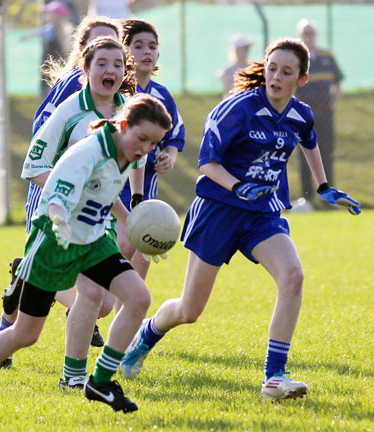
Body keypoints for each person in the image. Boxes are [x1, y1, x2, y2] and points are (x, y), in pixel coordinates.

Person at [120, 38, 361, 402]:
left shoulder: (301, 113)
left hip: (262, 213)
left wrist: (324, 186)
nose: (276, 77)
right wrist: (238, 187)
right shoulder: (236, 109)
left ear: (302, 79)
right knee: (190, 309)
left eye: (286, 72)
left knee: (293, 276)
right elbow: (207, 164)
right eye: (272, 68)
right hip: (219, 210)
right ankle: (145, 337)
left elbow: (308, 140)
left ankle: (274, 377)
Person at [0, 93, 172, 419]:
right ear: (122, 124)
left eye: (153, 143)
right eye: (143, 138)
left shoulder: (128, 151)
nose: (145, 148)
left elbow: (104, 195)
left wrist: (134, 225)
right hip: (54, 242)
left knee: (138, 298)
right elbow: (55, 196)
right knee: (25, 334)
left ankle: (100, 381)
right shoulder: (88, 153)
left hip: (92, 241)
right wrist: (60, 220)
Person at [0, 35, 136, 370]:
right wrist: (70, 191)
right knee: (84, 300)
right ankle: (76, 376)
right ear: (85, 69)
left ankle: (25, 274)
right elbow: (33, 167)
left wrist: (133, 216)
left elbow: (122, 170)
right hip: (56, 213)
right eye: (101, 63)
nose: (110, 70)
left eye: (117, 64)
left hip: (94, 217)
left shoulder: (127, 111)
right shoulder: (69, 110)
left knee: (102, 305)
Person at [116, 18, 185, 280]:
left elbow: (174, 134)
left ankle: (128, 318)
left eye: (152, 46)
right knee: (124, 246)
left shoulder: (162, 94)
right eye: (139, 45)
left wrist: (169, 155)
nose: (147, 52)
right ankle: (89, 305)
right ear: (124, 51)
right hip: (116, 187)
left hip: (146, 188)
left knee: (142, 256)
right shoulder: (116, 91)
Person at [294, 19, 344, 211]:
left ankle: (328, 197)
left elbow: (337, 82)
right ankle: (307, 198)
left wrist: (334, 102)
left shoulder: (326, 56)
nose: (309, 36)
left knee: (326, 154)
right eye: (305, 32)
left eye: (311, 32)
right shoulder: (296, 57)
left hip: (325, 113)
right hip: (303, 117)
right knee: (305, 155)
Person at [216, 34, 253, 100]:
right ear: (236, 51)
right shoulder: (226, 71)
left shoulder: (253, 68)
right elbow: (229, 90)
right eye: (244, 48)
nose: (247, 51)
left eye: (247, 48)